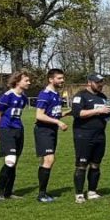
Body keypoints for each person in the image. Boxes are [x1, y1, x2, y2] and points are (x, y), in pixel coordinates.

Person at [71, 73, 110, 203]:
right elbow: (78, 113)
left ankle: (92, 191)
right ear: (89, 82)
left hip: (99, 135)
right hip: (83, 135)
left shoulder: (103, 97)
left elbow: (109, 113)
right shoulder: (80, 96)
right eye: (97, 82)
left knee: (95, 164)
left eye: (102, 82)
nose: (100, 85)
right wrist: (98, 111)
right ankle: (79, 194)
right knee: (82, 164)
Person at [33, 68, 69, 202]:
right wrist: (58, 122)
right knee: (49, 159)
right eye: (59, 78)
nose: (62, 80)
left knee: (46, 161)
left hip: (52, 130)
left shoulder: (56, 94)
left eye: (62, 78)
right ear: (51, 79)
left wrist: (68, 113)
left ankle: (43, 192)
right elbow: (39, 115)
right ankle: (41, 194)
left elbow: (53, 113)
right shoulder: (45, 94)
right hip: (43, 130)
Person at [0, 71, 31, 200]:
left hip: (19, 130)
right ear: (17, 81)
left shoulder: (24, 98)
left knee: (14, 163)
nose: (29, 82)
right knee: (10, 161)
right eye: (26, 80)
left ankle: (8, 192)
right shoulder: (7, 96)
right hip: (7, 130)